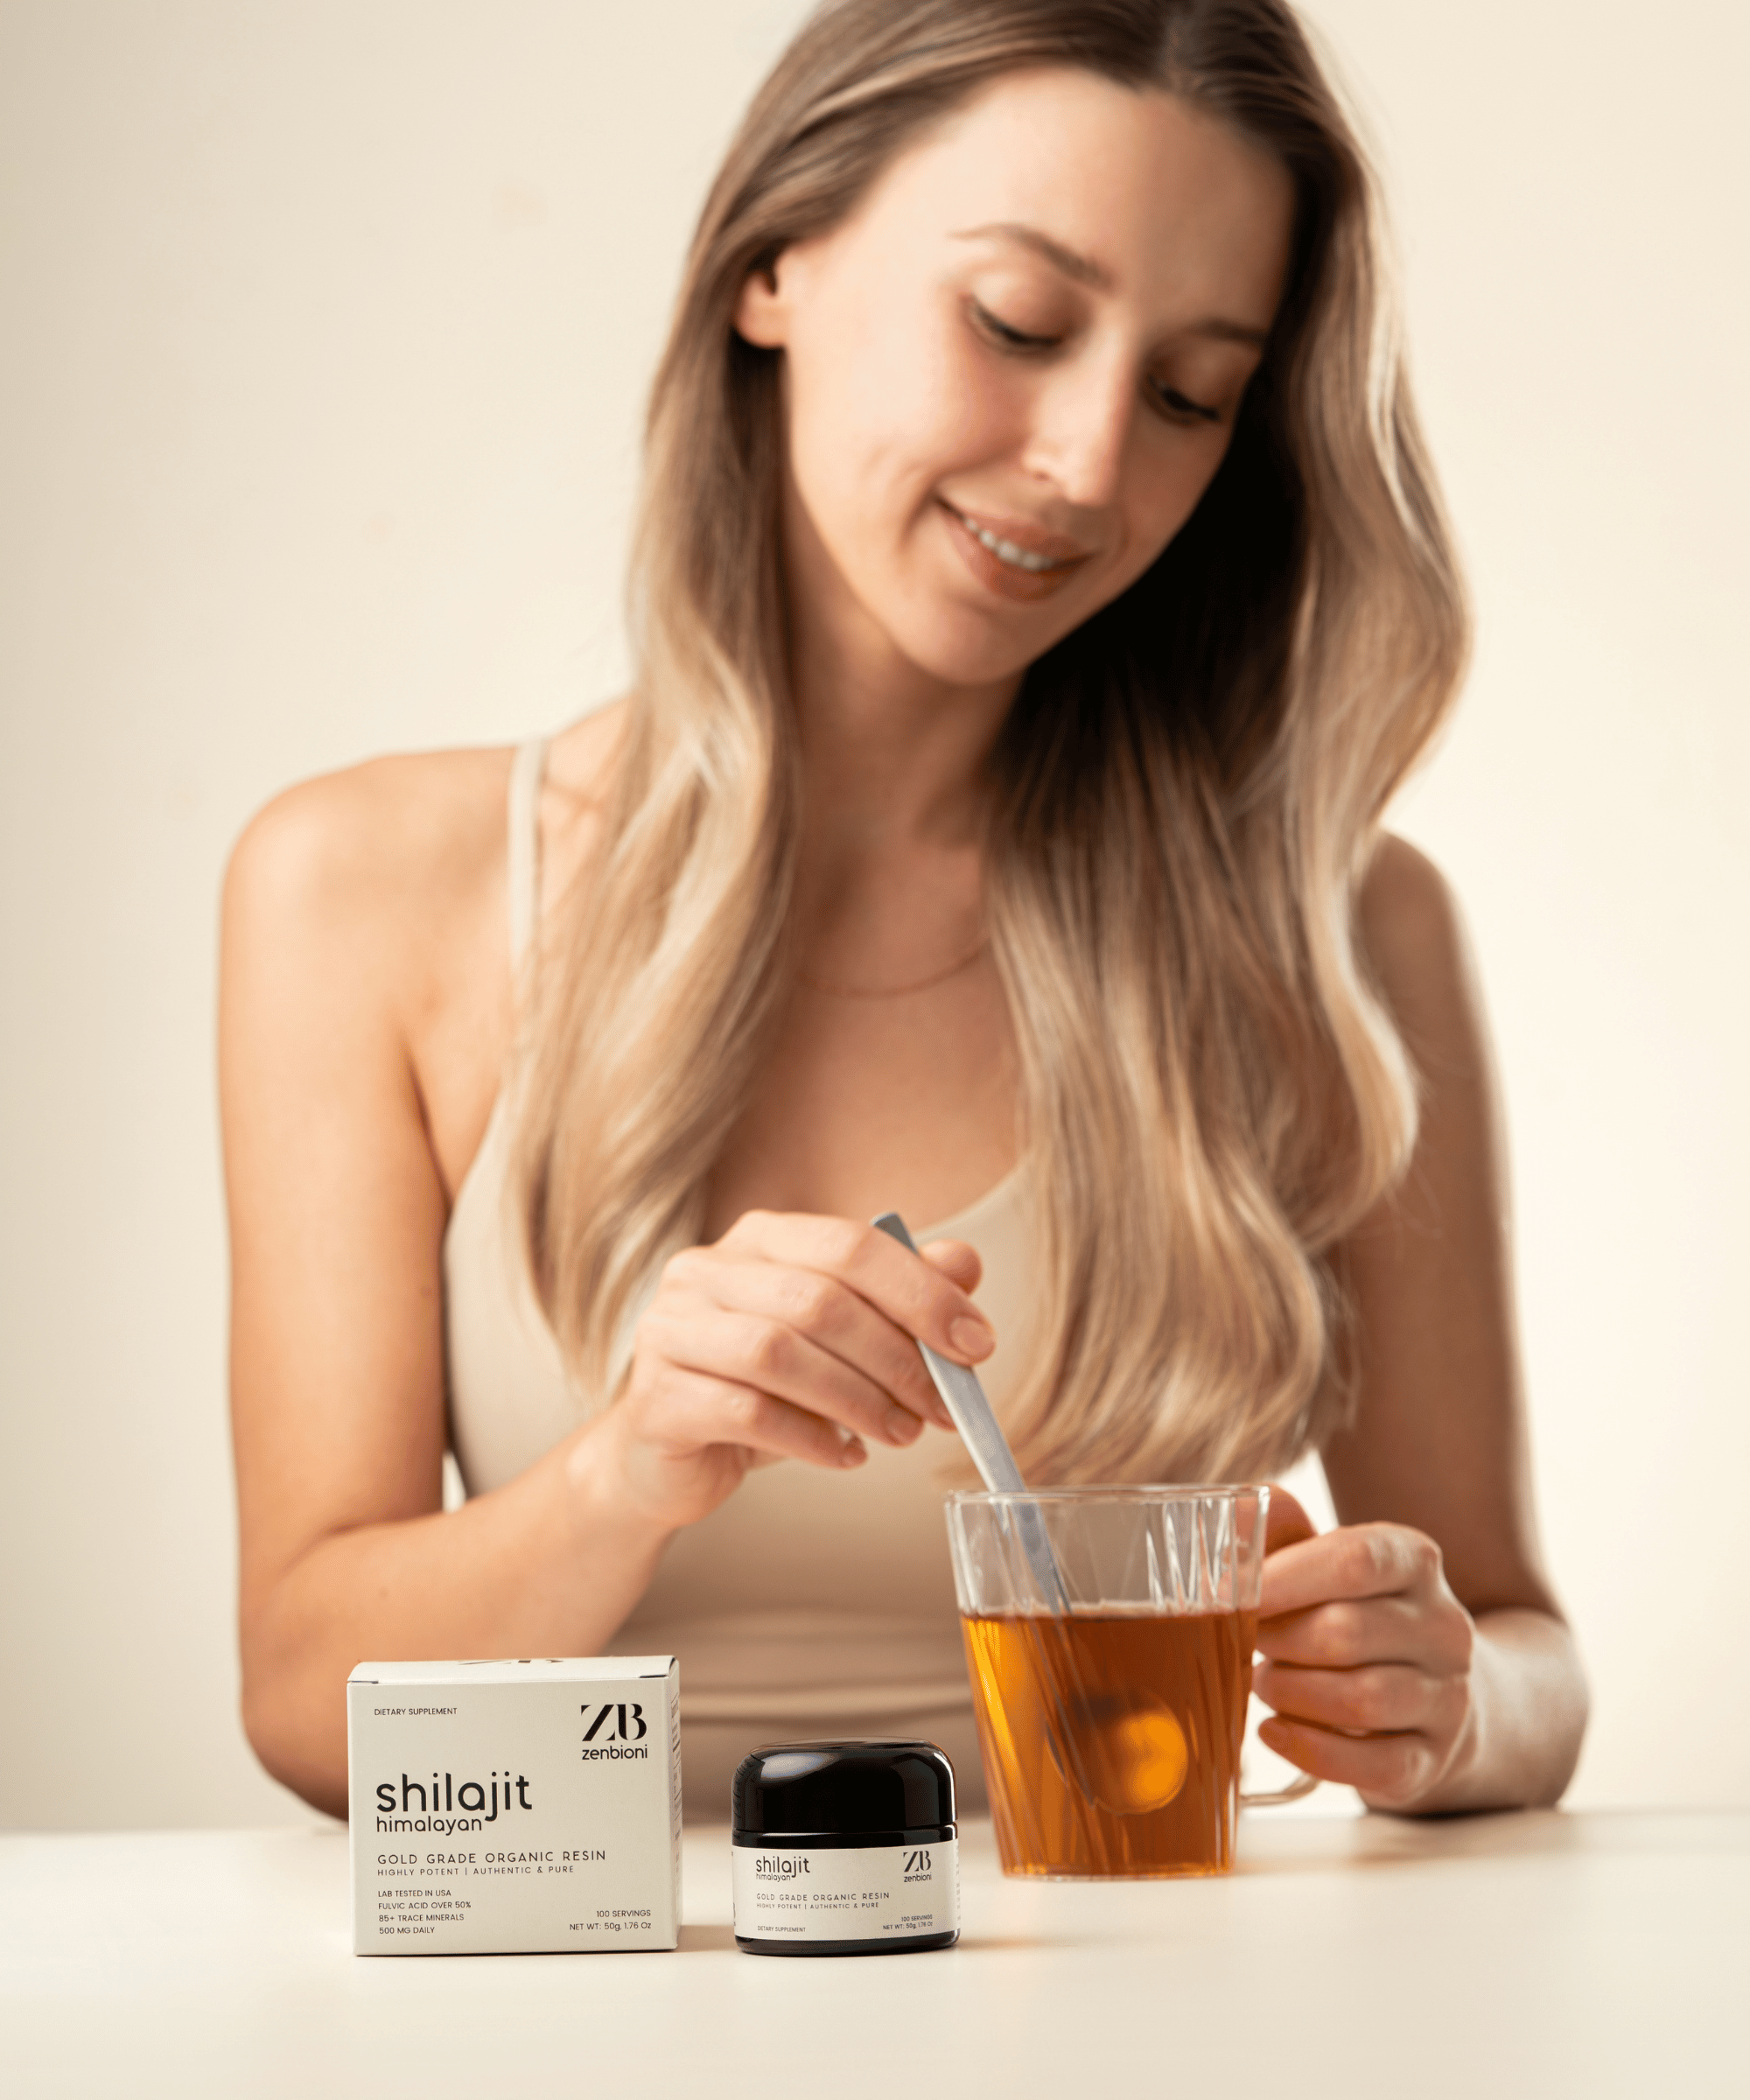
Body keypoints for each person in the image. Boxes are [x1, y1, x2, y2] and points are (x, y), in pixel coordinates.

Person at [220, 0, 1587, 1824]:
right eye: (1016, 324)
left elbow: (1520, 1646)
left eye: (1189, 393)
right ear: (771, 263)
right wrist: (626, 1470)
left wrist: (1444, 1704)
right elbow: (313, 1709)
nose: (1091, 465)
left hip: (1149, 2003)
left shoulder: (1337, 928)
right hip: (608, 2001)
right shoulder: (364, 895)